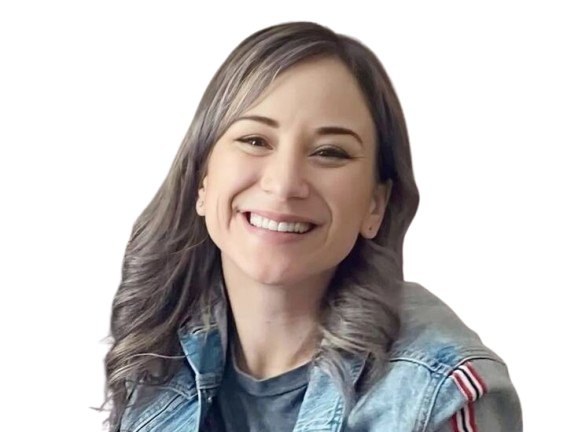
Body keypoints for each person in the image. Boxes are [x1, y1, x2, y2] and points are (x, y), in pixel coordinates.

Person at [89, 20, 524, 431]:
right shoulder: (151, 337)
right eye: (255, 140)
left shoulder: (441, 390)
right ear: (202, 180)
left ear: (375, 205)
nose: (284, 185)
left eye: (330, 152)